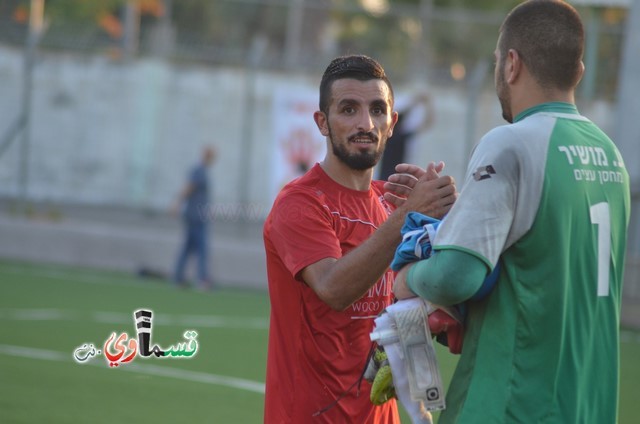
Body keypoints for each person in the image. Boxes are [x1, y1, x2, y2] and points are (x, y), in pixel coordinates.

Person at [392, 1, 631, 423]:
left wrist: (406, 277)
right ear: (578, 72)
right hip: (591, 405)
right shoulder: (610, 156)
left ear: (511, 65)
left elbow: (455, 276)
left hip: (515, 404)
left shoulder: (511, 143)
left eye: (499, 60)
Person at [262, 54, 457, 423]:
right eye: (348, 110)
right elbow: (334, 288)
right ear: (322, 122)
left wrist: (450, 217)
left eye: (377, 110)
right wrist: (408, 215)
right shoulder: (299, 203)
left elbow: (406, 310)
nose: (365, 123)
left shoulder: (391, 202)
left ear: (392, 122)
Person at [172, 146, 216, 290]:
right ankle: (202, 278)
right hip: (195, 216)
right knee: (201, 248)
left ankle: (178, 276)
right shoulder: (199, 171)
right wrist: (177, 204)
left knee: (188, 247)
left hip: (197, 215)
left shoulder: (201, 171)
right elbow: (188, 188)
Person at [378, 91, 434, 180]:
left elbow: (425, 124)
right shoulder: (397, 134)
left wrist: (418, 101)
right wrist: (420, 101)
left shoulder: (389, 134)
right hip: (395, 176)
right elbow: (426, 124)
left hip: (390, 176)